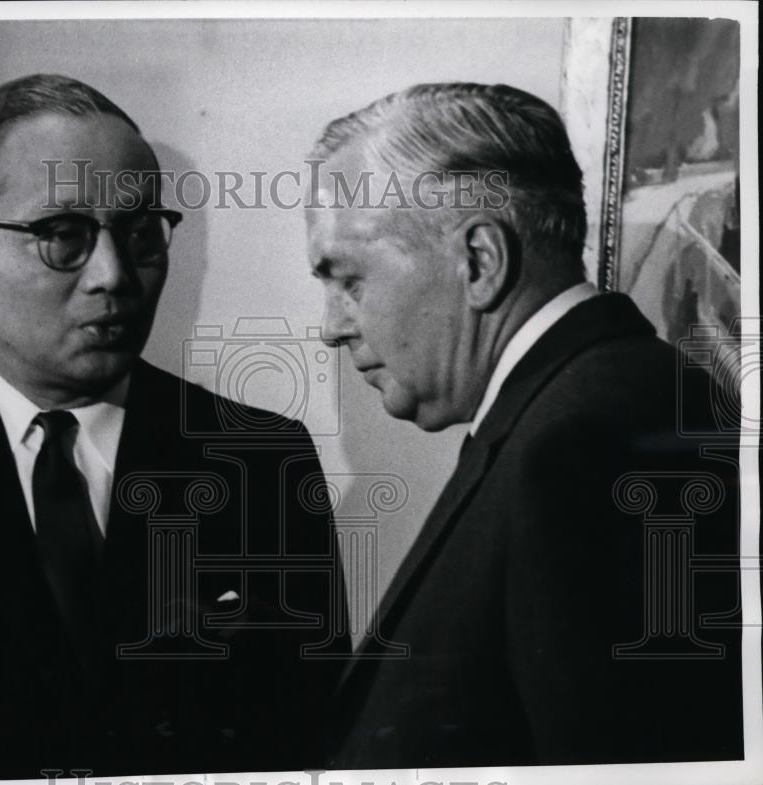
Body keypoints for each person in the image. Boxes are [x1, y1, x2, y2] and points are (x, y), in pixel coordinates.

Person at [0, 74, 347, 784]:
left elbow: (313, 747)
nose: (113, 275)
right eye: (62, 236)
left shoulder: (262, 459)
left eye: (141, 234)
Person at [306, 83, 742, 768]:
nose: (332, 326)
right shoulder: (572, 412)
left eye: (350, 279)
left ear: (479, 261)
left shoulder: (584, 443)